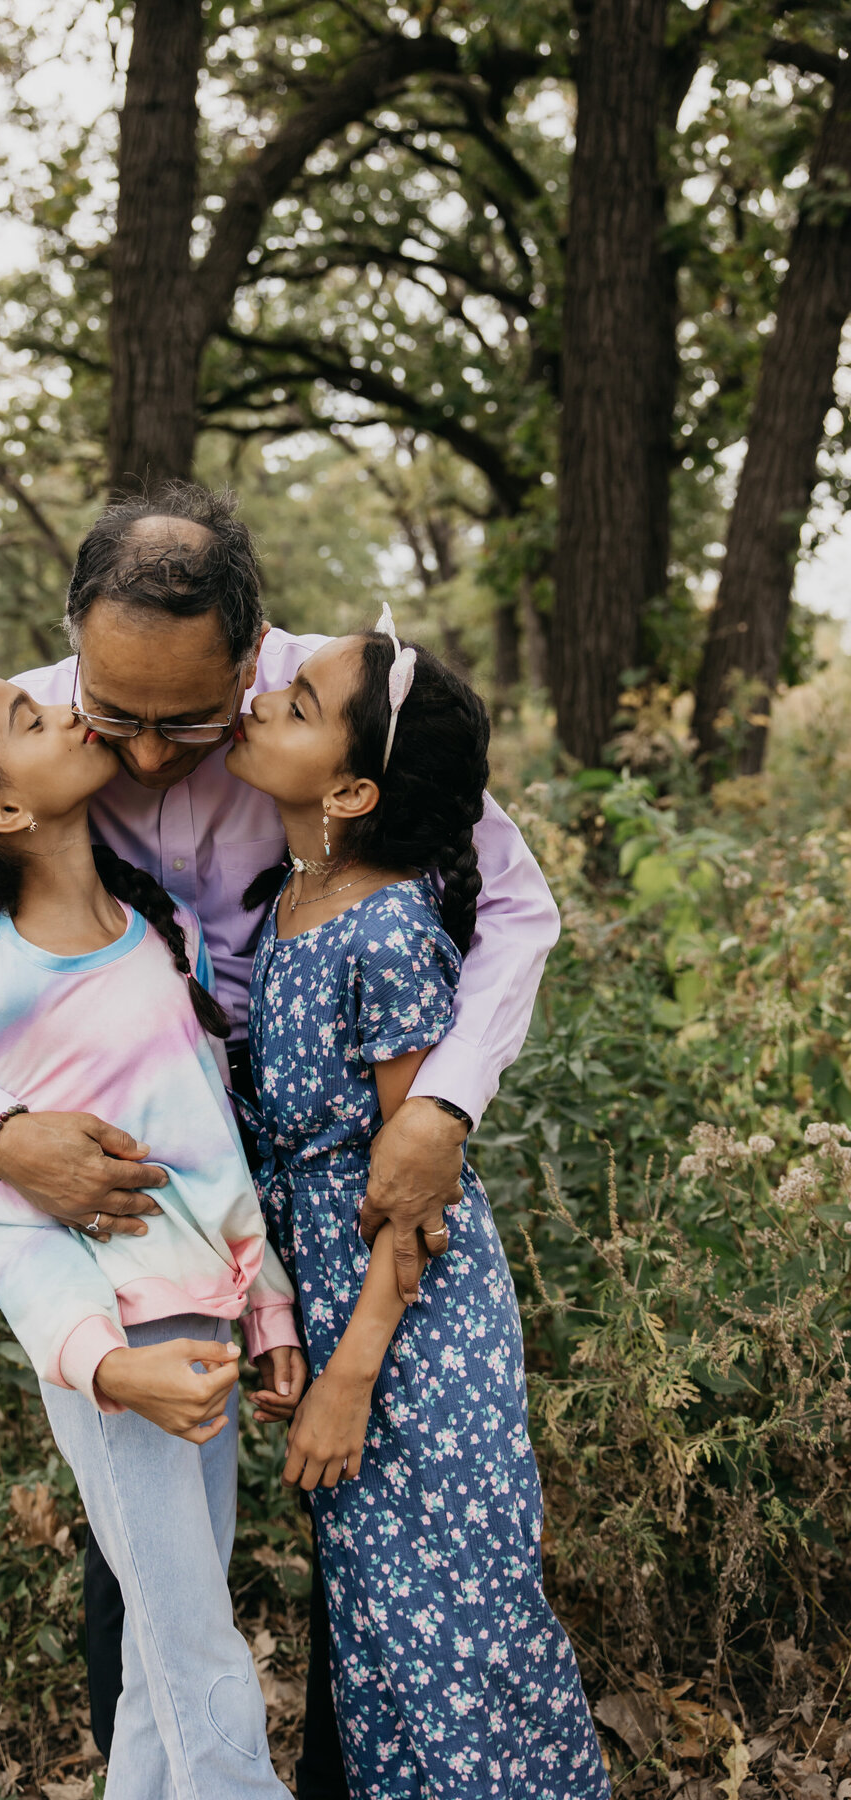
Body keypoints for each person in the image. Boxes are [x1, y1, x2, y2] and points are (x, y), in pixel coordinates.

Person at [0, 482, 562, 1798]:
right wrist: (1, 1134)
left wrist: (441, 1106)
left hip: (346, 1149)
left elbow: (515, 909)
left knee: (368, 1514)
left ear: (254, 651)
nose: (149, 751)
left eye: (191, 717)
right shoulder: (18, 737)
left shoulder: (339, 712)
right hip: (134, 1186)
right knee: (150, 1536)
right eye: (116, 712)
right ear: (76, 642)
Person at [0, 668, 306, 1798]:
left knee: (161, 1668)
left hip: (200, 1337)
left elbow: (209, 1149)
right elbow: (7, 1222)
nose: (64, 711)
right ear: (0, 812)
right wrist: (108, 1366)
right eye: (27, 719)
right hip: (119, 1360)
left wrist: (266, 1302)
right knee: (200, 1652)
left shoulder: (156, 932)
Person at [225, 611, 609, 1799]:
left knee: (461, 1633)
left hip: (411, 1326)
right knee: (386, 1637)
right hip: (334, 1299)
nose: (263, 701)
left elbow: (413, 1199)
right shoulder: (288, 905)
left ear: (347, 790)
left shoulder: (387, 929)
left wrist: (348, 1375)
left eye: (294, 707)